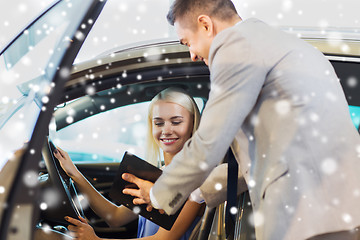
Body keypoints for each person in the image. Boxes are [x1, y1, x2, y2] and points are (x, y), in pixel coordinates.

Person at [121, 0, 360, 240]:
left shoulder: (236, 45)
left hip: (309, 214)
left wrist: (157, 194)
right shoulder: (287, 46)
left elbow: (209, 141)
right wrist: (196, 193)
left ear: (205, 25)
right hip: (338, 210)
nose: (192, 54)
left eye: (188, 43)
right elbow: (267, 158)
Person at [53, 87, 204, 240]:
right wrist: (75, 174)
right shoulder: (157, 176)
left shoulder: (197, 179)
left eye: (176, 122)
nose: (166, 130)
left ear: (193, 124)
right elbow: (115, 217)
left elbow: (165, 239)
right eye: (158, 123)